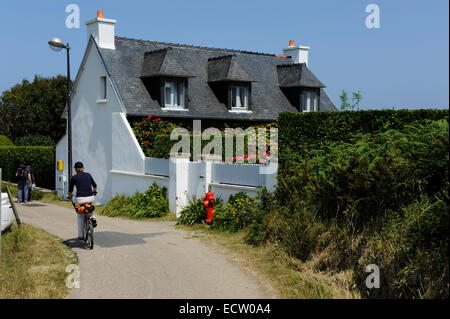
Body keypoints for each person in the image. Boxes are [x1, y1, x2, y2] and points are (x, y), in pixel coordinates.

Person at [67, 162, 98, 240]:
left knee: (80, 215)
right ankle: (93, 218)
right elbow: (94, 185)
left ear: (75, 169)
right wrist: (94, 191)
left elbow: (70, 190)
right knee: (89, 208)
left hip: (80, 199)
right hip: (90, 197)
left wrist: (69, 196)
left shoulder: (74, 177)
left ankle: (80, 235)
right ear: (83, 168)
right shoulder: (88, 175)